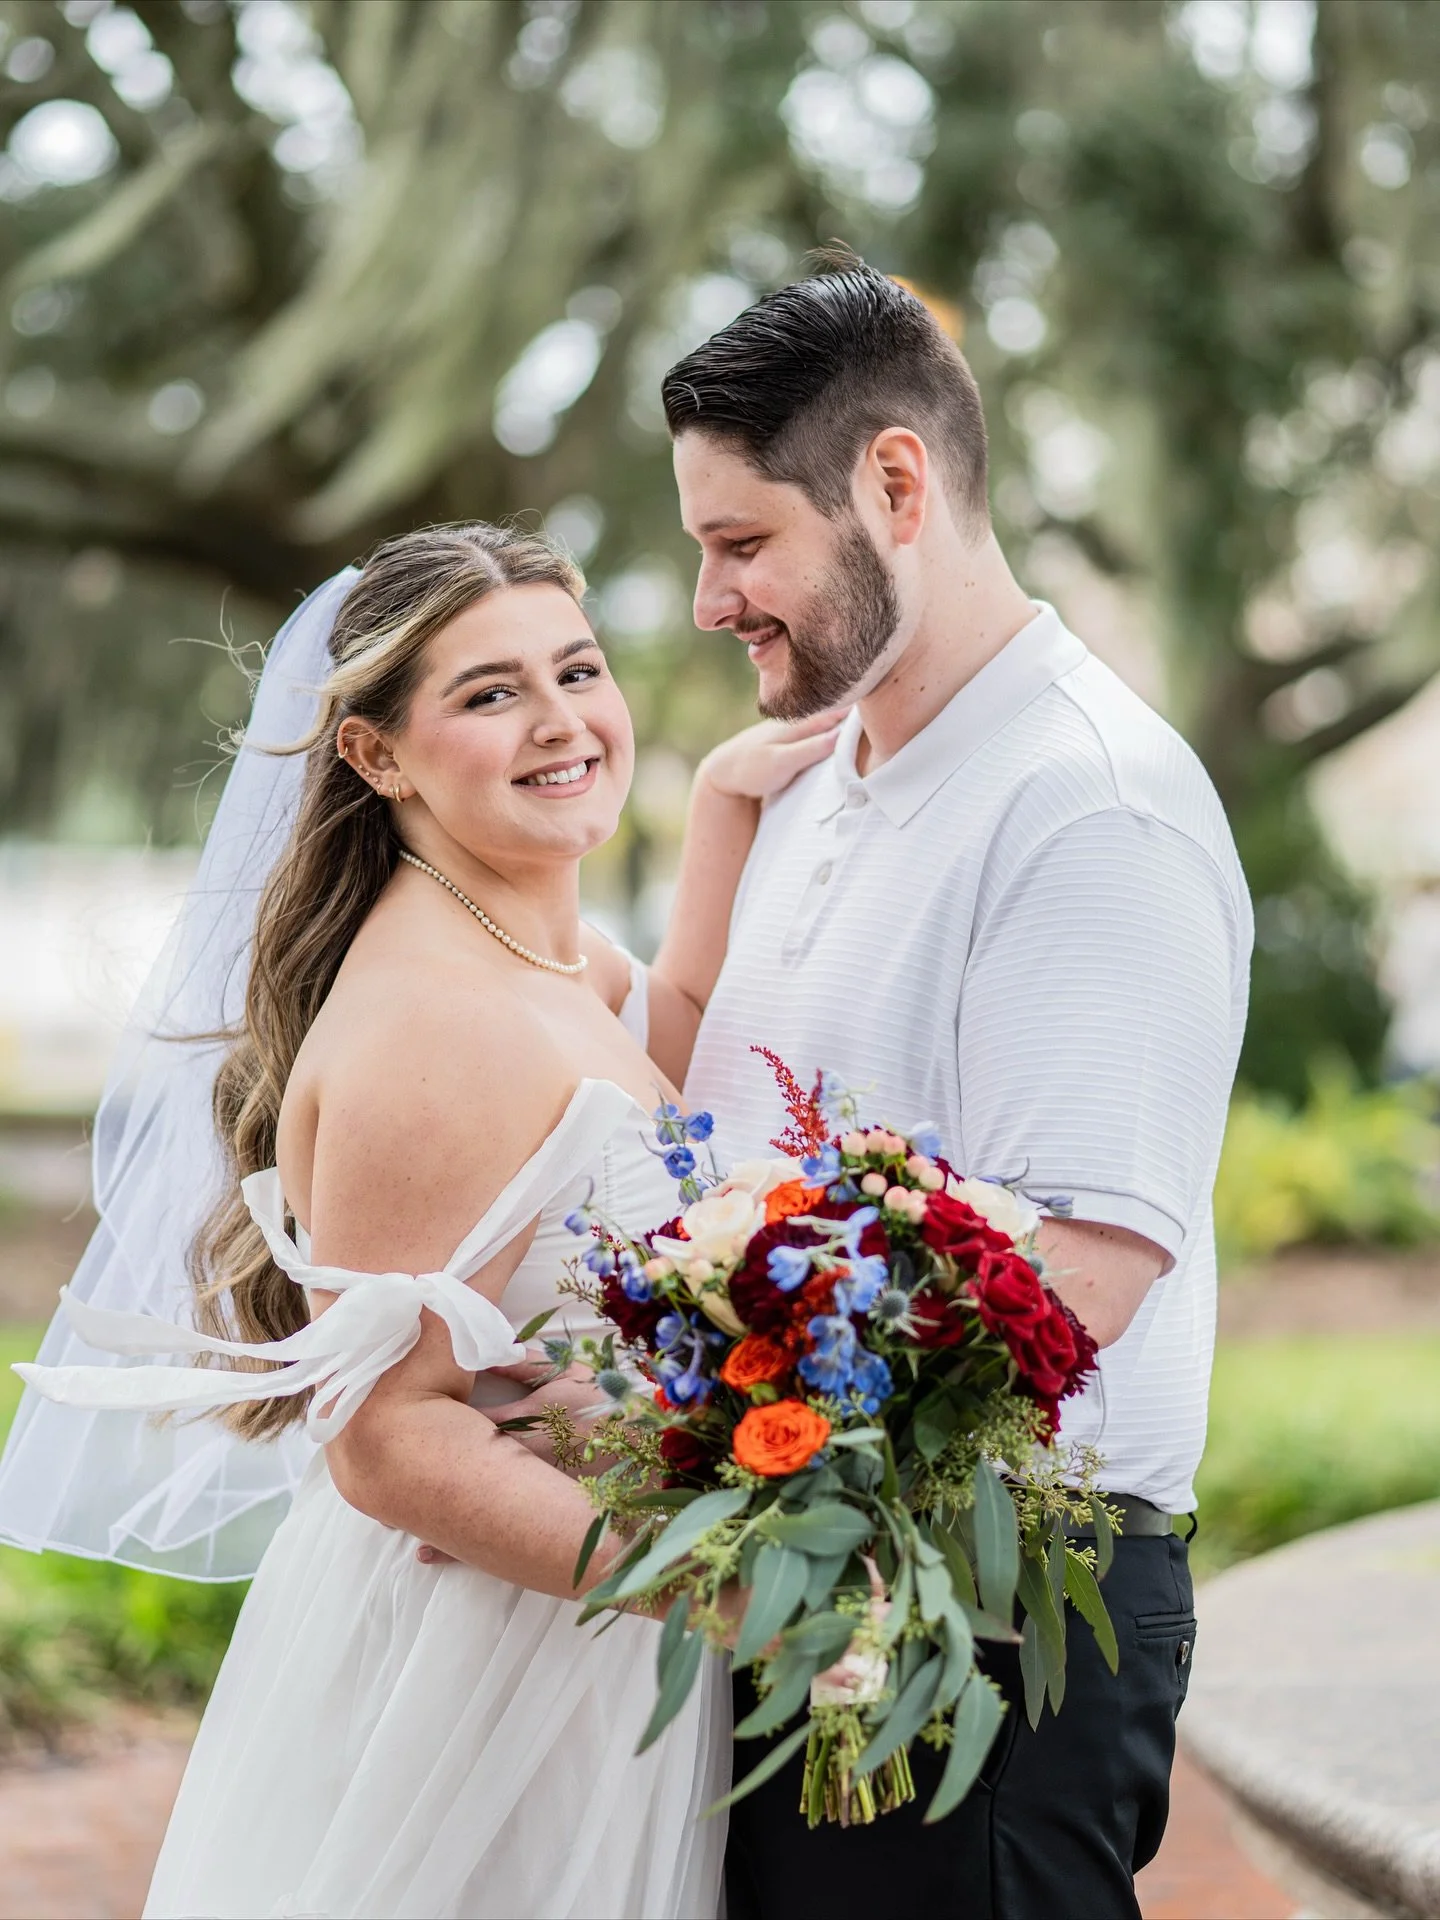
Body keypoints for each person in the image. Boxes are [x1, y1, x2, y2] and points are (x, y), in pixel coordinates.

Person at [12, 523, 837, 1920]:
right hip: (492, 1674)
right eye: (491, 693)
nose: (561, 719)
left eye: (577, 670)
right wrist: (725, 1583)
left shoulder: (533, 950)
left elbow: (665, 1046)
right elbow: (389, 1442)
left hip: (578, 1621)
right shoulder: (431, 1025)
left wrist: (718, 809)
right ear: (376, 755)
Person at [650, 259, 1253, 1920]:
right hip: (805, 1579)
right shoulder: (810, 777)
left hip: (989, 1618)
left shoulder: (1092, 808)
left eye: (741, 542)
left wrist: (676, 1413)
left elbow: (1081, 1281)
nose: (709, 600)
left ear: (896, 486)